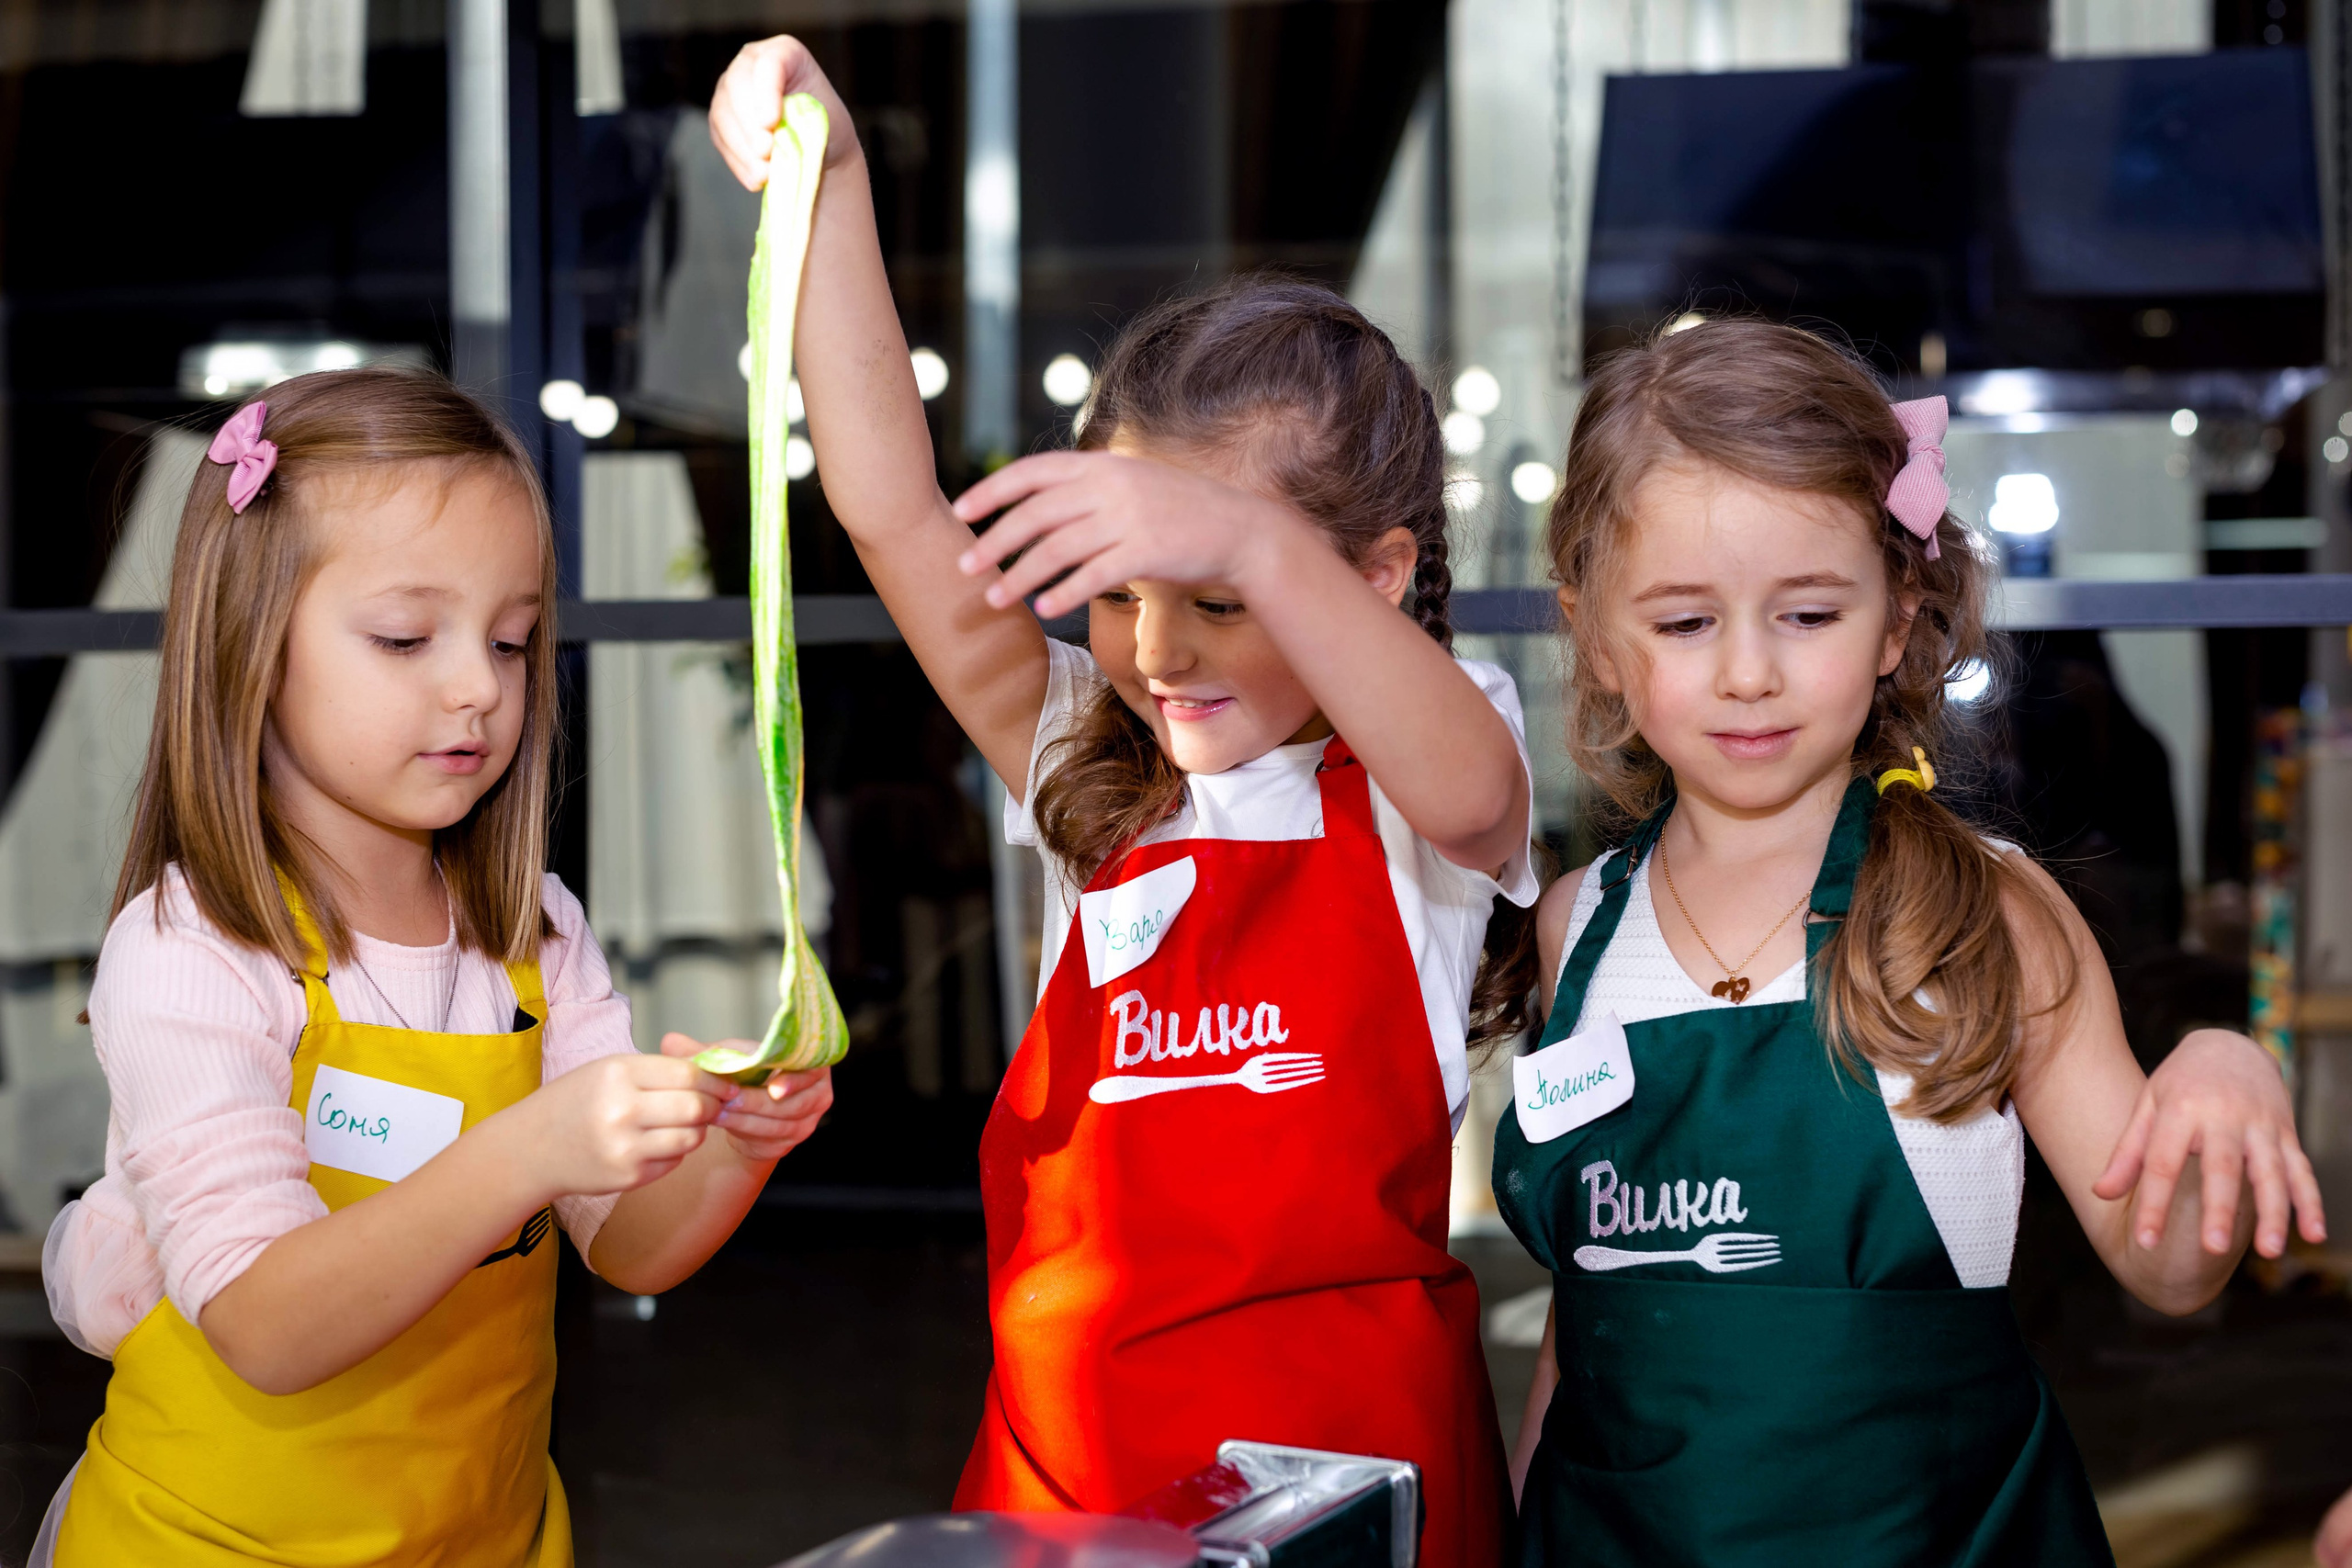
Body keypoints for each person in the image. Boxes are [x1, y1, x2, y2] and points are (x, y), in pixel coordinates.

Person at [709, 40, 1527, 1567]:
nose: (1155, 653)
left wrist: (1257, 538)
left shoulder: (1429, 766)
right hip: (1067, 1477)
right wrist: (833, 189)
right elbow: (887, 505)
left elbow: (1474, 793)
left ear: (1380, 577)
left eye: (1217, 593)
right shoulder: (1091, 761)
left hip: (1345, 1486)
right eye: (1118, 593)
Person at [1496, 318, 2326, 1566]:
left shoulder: (1986, 914)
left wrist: (2223, 1064)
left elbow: (2165, 1272)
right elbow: (1588, 1318)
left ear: (1897, 620)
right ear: (1598, 639)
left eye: (1809, 613)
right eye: (1683, 625)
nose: (1748, 673)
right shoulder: (1579, 928)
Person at [35, 371, 834, 1565]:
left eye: (511, 641)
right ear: (254, 646)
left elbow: (628, 1245)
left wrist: (731, 1153)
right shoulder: (194, 946)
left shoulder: (533, 934)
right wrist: (530, 1146)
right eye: (407, 637)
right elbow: (265, 1324)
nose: (479, 686)